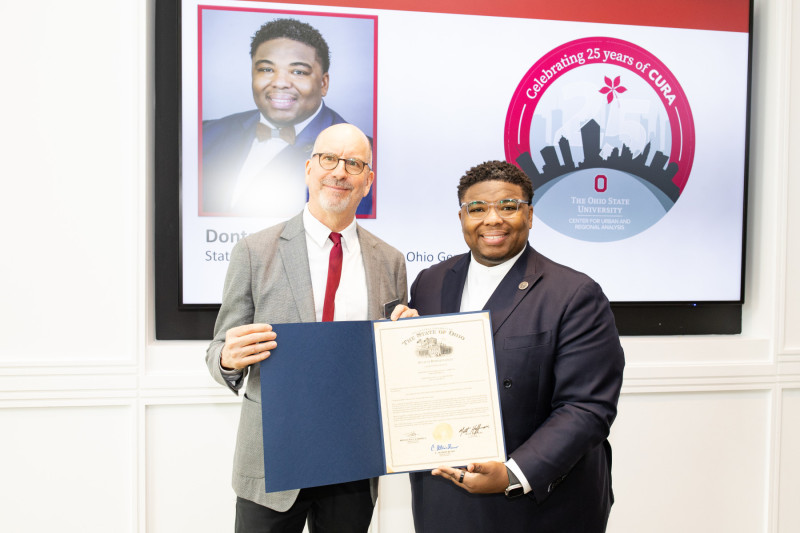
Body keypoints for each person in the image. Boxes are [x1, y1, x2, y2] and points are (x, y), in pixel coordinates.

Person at [206, 124, 413, 532]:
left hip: (353, 459)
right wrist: (229, 359)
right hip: (272, 460)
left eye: (354, 163)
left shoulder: (390, 261)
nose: (340, 171)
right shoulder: (254, 251)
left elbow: (389, 363)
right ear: (308, 168)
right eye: (328, 159)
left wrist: (407, 344)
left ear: (368, 181)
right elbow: (218, 350)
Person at [408, 160, 625, 533]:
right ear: (462, 217)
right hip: (446, 496)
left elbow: (587, 407)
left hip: (541, 503)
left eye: (508, 206)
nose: (493, 219)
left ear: (529, 214)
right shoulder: (430, 281)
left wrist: (513, 473)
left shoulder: (574, 294)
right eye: (477, 209)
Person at [201, 18, 374, 217]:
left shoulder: (365, 157)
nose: (280, 83)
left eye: (298, 71)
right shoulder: (206, 134)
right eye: (266, 69)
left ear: (324, 84)